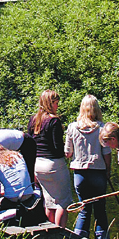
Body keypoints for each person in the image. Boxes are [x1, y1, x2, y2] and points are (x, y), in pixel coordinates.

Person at [64, 95, 111, 239]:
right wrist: (108, 171)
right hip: (98, 171)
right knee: (100, 209)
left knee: (84, 208)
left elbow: (68, 152)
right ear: (96, 109)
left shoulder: (72, 127)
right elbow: (107, 154)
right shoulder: (102, 128)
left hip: (80, 173)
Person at [27, 89, 73, 228]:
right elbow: (57, 146)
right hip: (53, 164)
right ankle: (61, 233)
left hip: (37, 164)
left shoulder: (33, 120)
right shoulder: (54, 121)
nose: (57, 106)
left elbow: (29, 142)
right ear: (50, 103)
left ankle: (49, 231)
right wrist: (66, 153)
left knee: (49, 201)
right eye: (56, 103)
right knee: (63, 202)